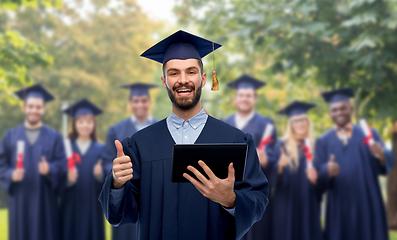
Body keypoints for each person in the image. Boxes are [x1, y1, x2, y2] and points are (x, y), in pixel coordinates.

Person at [98, 30, 269, 240]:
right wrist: (117, 182)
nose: (183, 80)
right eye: (174, 73)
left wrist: (231, 199)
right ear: (164, 81)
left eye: (191, 72)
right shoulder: (139, 145)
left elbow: (258, 201)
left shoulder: (236, 141)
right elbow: (121, 214)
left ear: (204, 78)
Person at [315, 88, 394, 240]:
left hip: (367, 199)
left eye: (343, 108)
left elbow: (386, 163)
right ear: (330, 113)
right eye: (334, 110)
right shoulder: (323, 141)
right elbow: (318, 172)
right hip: (339, 203)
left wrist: (382, 155)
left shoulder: (369, 134)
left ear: (351, 109)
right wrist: (326, 170)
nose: (339, 112)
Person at [0, 84, 66, 240]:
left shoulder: (54, 136)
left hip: (45, 203)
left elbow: (62, 164)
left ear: (43, 109)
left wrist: (50, 169)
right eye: (30, 106)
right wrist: (10, 174)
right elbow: (1, 164)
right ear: (24, 108)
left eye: (38, 107)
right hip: (19, 201)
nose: (34, 110)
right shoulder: (11, 136)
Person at [223, 74, 277, 240]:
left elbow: (274, 154)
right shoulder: (225, 124)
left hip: (254, 190)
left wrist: (266, 158)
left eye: (248, 95)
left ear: (254, 98)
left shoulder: (266, 124)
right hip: (229, 190)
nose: (244, 99)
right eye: (241, 95)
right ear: (235, 98)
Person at [101, 82, 157, 240]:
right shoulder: (116, 130)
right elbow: (106, 162)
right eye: (136, 101)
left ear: (150, 102)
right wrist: (118, 176)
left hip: (154, 196)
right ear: (130, 103)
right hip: (127, 196)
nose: (140, 104)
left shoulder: (161, 129)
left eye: (144, 100)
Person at [270, 101, 322, 240]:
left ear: (307, 122)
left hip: (308, 205)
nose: (300, 124)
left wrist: (316, 180)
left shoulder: (315, 146)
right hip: (286, 203)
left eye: (303, 120)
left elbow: (321, 183)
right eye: (296, 121)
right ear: (291, 124)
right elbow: (273, 179)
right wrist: (280, 167)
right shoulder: (281, 145)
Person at [60, 99, 105, 240]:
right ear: (74, 124)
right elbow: (55, 182)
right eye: (81, 122)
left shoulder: (101, 150)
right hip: (70, 209)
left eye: (89, 122)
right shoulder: (65, 149)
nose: (85, 125)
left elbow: (108, 187)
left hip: (92, 208)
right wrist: (68, 181)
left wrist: (100, 176)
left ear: (93, 125)